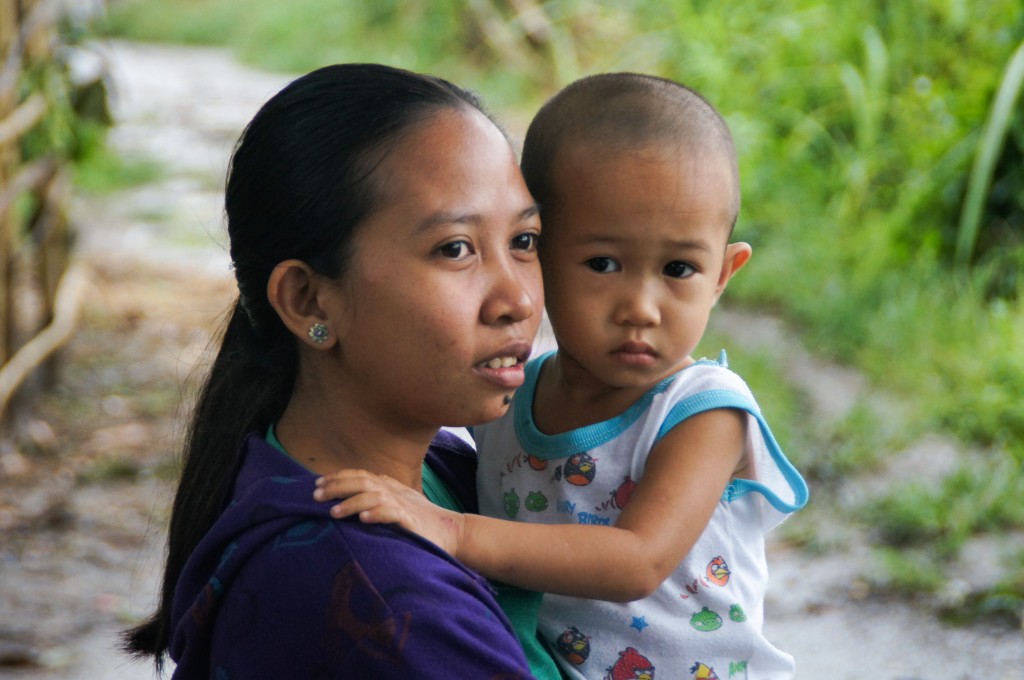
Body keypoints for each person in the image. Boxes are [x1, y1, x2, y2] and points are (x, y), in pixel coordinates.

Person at [316, 73, 810, 679]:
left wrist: (451, 531)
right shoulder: (510, 398)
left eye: (679, 268)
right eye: (603, 263)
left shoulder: (703, 410)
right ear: (539, 257)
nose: (641, 307)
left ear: (724, 276)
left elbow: (638, 561)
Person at [120, 63, 548, 678]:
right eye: (455, 248)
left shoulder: (426, 471)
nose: (520, 301)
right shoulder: (387, 605)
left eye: (525, 241)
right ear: (309, 301)